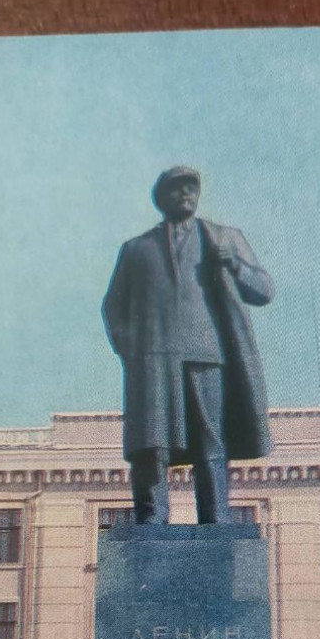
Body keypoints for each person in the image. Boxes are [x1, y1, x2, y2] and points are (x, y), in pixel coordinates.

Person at [102, 166, 274, 524]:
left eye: (191, 187)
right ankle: (151, 517)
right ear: (161, 198)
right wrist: (132, 351)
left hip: (206, 354)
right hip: (152, 361)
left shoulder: (223, 238)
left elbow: (264, 290)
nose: (186, 194)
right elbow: (113, 307)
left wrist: (236, 265)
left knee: (211, 439)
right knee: (152, 444)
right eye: (177, 188)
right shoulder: (136, 249)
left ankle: (215, 518)